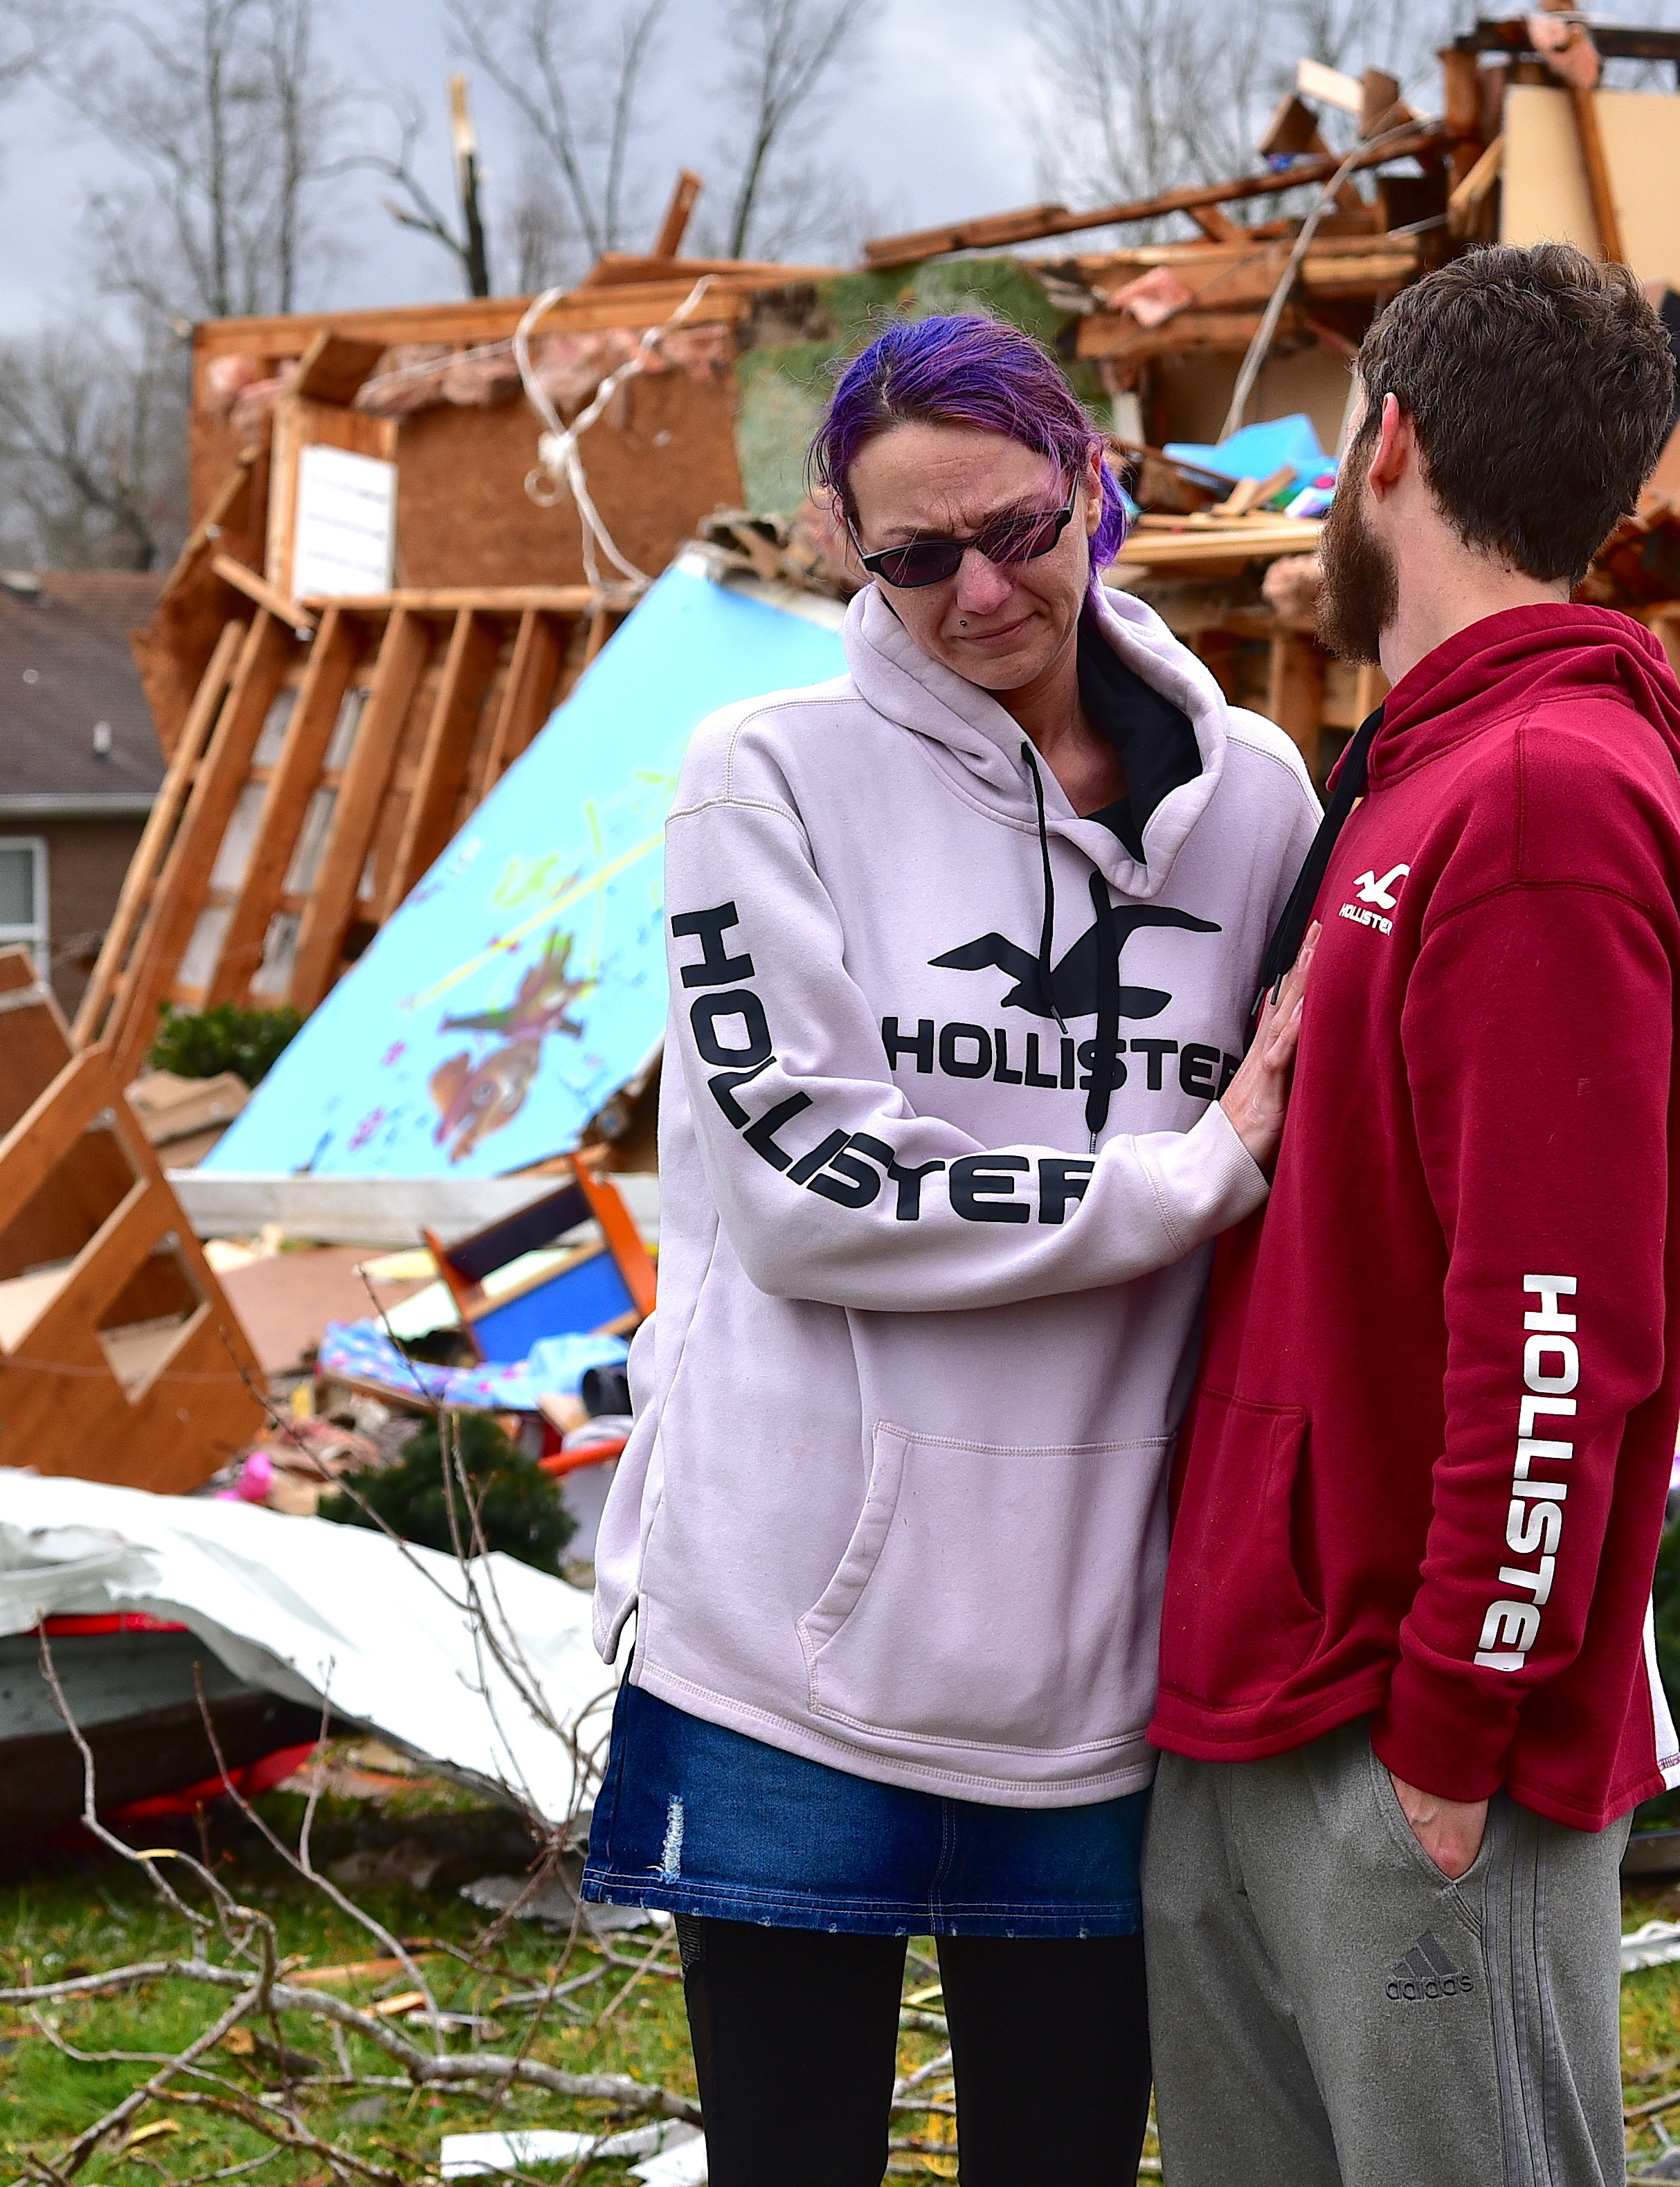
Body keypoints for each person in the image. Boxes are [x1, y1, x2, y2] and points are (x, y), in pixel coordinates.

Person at [581, 310, 1324, 2185]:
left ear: (1097, 490)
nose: (982, 591)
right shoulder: (765, 777)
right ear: (844, 544)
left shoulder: (1261, 809)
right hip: (786, 1641)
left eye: (1018, 529)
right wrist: (1190, 1171)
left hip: (1094, 1665)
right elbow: (807, 1187)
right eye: (917, 556)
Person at [1141, 244, 1680, 2187]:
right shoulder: (1414, 777)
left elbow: (1568, 1325)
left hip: (1411, 1740)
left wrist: (1459, 1728)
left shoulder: (1545, 796)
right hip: (1263, 1699)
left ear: (1387, 445)